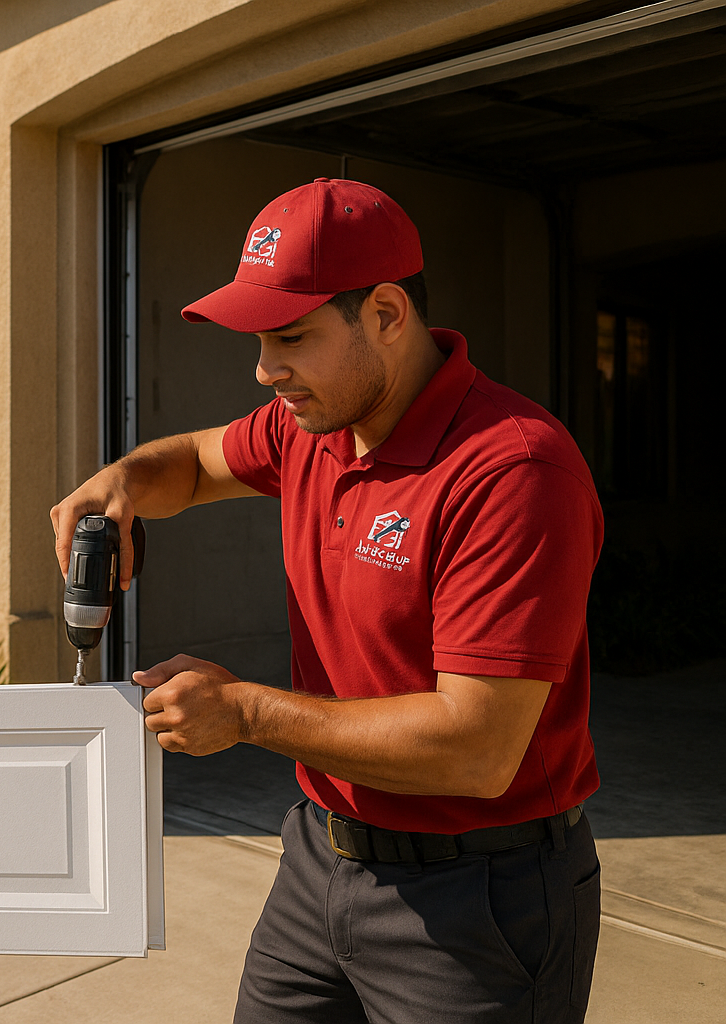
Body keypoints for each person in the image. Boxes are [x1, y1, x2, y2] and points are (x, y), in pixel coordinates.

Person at [51, 178, 603, 1023]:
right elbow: (197, 463)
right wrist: (123, 480)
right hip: (321, 862)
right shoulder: (312, 426)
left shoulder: (513, 471)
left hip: (478, 903)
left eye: (291, 338)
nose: (266, 370)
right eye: (260, 341)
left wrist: (244, 711)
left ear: (386, 313)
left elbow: (478, 749)